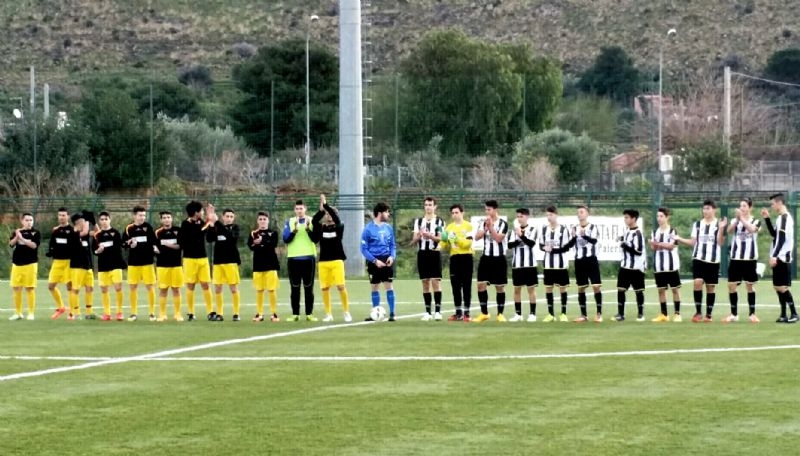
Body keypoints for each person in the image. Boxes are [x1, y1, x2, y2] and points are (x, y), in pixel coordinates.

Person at [676, 199, 726, 323]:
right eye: (704, 208)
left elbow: (720, 243)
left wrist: (721, 229)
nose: (705, 211)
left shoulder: (719, 224)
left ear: (714, 210)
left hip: (713, 260)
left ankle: (709, 314)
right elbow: (693, 242)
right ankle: (698, 312)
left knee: (710, 287)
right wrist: (679, 238)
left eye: (708, 208)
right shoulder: (697, 225)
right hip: (698, 258)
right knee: (697, 282)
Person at [312, 194, 352, 322]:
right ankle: (328, 314)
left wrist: (325, 205)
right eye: (327, 214)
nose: (329, 216)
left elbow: (336, 218)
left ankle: (346, 312)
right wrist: (321, 210)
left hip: (337, 260)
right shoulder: (322, 228)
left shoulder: (339, 226)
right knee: (324, 288)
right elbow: (314, 221)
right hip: (324, 261)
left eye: (331, 214)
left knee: (340, 286)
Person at [724, 198, 762, 323]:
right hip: (736, 258)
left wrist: (742, 219)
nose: (742, 208)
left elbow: (752, 229)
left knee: (749, 285)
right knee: (731, 285)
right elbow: (728, 231)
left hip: (749, 259)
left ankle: (752, 314)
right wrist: (736, 220)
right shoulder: (735, 220)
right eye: (740, 206)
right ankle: (734, 314)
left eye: (744, 206)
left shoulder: (756, 221)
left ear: (750, 207)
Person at [761, 193, 798, 323]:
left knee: (782, 287)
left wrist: (774, 256)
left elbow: (781, 239)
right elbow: (774, 235)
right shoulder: (781, 218)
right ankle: (783, 314)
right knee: (777, 287)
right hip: (779, 257)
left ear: (779, 203)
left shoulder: (785, 218)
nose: (772, 206)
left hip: (782, 257)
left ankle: (794, 313)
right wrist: (767, 218)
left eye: (773, 204)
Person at [283, 200, 319, 321]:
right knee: (295, 287)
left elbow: (315, 239)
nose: (299, 211)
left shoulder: (312, 220)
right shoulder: (290, 221)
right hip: (293, 258)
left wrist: (308, 229)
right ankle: (295, 314)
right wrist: (294, 231)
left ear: (305, 209)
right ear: (294, 210)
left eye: (301, 208)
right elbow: (286, 239)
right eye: (297, 209)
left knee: (309, 287)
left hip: (309, 258)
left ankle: (309, 314)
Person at [178, 201, 215, 321]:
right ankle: (191, 312)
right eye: (202, 211)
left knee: (205, 284)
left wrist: (210, 221)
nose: (203, 213)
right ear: (196, 213)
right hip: (189, 259)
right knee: (190, 285)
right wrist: (209, 220)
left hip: (203, 258)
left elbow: (209, 237)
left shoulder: (202, 223)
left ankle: (210, 311)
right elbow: (198, 232)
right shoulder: (185, 224)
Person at [474, 200, 509, 322]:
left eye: (489, 209)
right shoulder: (483, 222)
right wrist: (485, 228)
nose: (487, 212)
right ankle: (484, 313)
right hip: (486, 257)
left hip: (499, 258)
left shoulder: (503, 224)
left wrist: (491, 227)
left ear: (495, 210)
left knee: (499, 287)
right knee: (480, 285)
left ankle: (500, 314)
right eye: (486, 209)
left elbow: (499, 239)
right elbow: (477, 237)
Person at [122, 206, 160, 322]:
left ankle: (152, 313)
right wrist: (129, 244)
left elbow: (154, 242)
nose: (142, 217)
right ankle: (133, 313)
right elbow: (123, 244)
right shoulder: (129, 228)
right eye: (140, 215)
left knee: (150, 286)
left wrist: (155, 248)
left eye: (144, 215)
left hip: (147, 262)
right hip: (133, 263)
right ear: (134, 216)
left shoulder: (148, 227)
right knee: (133, 287)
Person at [361, 202, 397, 321]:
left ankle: (392, 314)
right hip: (374, 261)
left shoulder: (388, 228)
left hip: (386, 259)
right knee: (374, 287)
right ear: (380, 213)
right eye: (387, 212)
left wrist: (392, 256)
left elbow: (393, 245)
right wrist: (374, 260)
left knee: (389, 286)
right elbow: (363, 249)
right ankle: (375, 313)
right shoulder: (368, 229)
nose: (388, 214)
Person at [412, 197, 445, 321]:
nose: (428, 207)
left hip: (434, 253)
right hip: (422, 254)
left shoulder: (439, 221)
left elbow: (440, 238)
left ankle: (437, 311)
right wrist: (419, 235)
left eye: (430, 204)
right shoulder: (419, 221)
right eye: (426, 204)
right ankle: (427, 312)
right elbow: (413, 241)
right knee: (425, 282)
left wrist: (430, 236)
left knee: (435, 281)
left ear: (435, 206)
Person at [440, 204, 474, 322]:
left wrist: (456, 238)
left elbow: (467, 244)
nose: (455, 215)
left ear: (462, 213)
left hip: (466, 258)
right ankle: (458, 312)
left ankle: (467, 313)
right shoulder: (449, 227)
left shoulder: (468, 226)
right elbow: (444, 244)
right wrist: (442, 241)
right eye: (453, 213)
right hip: (454, 258)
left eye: (457, 212)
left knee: (466, 286)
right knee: (455, 286)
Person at [206, 208, 242, 321]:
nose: (229, 218)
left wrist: (217, 222)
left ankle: (236, 313)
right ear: (223, 217)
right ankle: (220, 313)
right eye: (227, 216)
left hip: (231, 262)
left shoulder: (235, 228)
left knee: (233, 288)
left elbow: (230, 238)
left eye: (231, 216)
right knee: (217, 288)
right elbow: (209, 239)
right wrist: (211, 225)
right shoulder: (217, 226)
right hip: (218, 262)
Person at [569, 205, 602, 322]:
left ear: (587, 214)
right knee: (581, 288)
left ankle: (599, 314)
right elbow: (572, 244)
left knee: (596, 286)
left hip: (591, 260)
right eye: (578, 212)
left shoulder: (593, 227)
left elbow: (594, 241)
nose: (579, 214)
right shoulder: (574, 228)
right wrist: (573, 237)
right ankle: (583, 315)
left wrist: (585, 235)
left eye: (582, 212)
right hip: (579, 261)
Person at [539, 206, 572, 322]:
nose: (549, 217)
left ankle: (563, 313)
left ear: (556, 215)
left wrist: (553, 250)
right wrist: (544, 248)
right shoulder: (544, 229)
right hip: (548, 264)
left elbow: (566, 247)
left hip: (560, 264)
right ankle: (550, 314)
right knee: (549, 288)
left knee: (562, 288)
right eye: (547, 215)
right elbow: (540, 245)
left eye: (551, 215)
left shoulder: (563, 229)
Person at [614, 209, 647, 322]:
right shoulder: (627, 230)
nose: (625, 219)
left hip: (636, 267)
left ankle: (641, 313)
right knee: (621, 290)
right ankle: (621, 314)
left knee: (638, 291)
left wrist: (625, 246)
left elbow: (638, 251)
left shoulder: (638, 234)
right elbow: (627, 239)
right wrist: (621, 238)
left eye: (627, 217)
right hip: (625, 266)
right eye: (624, 217)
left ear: (634, 219)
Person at [93, 211, 127, 321]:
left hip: (115, 264)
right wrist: (98, 250)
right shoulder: (96, 235)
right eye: (102, 219)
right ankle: (107, 313)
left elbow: (118, 248)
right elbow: (95, 251)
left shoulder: (115, 233)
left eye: (106, 219)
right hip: (103, 266)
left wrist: (106, 249)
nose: (104, 221)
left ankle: (119, 312)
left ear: (110, 220)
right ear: (99, 221)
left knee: (118, 288)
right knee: (104, 289)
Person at [649, 207, 682, 322]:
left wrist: (658, 244)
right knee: (661, 290)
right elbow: (653, 247)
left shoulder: (673, 231)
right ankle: (664, 314)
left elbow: (672, 246)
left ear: (667, 217)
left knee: (675, 290)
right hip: (659, 266)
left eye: (661, 216)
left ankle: (677, 313)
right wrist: (654, 245)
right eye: (657, 216)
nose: (659, 218)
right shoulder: (654, 231)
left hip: (671, 266)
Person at [506, 208, 538, 322]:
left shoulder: (533, 229)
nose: (519, 219)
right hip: (517, 264)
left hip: (529, 264)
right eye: (518, 217)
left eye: (521, 216)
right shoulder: (514, 230)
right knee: (516, 290)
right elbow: (509, 245)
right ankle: (518, 314)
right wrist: (519, 239)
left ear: (527, 217)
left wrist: (522, 236)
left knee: (531, 290)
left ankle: (533, 314)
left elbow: (531, 243)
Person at [248, 211, 280, 322]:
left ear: (268, 220)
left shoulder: (273, 233)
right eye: (260, 219)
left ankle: (274, 313)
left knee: (271, 290)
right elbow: (251, 246)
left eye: (264, 219)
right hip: (258, 265)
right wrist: (256, 244)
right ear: (257, 221)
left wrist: (263, 241)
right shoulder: (253, 233)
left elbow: (273, 244)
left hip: (271, 265)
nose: (262, 221)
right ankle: (259, 314)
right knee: (259, 290)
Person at [8, 213, 40, 321]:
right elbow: (11, 244)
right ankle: (18, 313)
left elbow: (34, 245)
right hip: (17, 264)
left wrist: (23, 239)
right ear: (22, 221)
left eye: (31, 220)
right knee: (16, 288)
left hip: (30, 264)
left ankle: (31, 313)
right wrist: (17, 237)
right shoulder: (17, 232)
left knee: (30, 288)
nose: (29, 222)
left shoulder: (36, 233)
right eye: (27, 220)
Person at [155, 211, 183, 322]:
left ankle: (177, 313)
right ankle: (162, 314)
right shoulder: (157, 232)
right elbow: (155, 248)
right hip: (162, 265)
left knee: (176, 289)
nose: (166, 219)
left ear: (172, 219)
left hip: (176, 265)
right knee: (163, 289)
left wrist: (166, 245)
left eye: (168, 217)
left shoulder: (178, 231)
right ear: (161, 220)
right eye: (164, 218)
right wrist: (156, 249)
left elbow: (180, 246)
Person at [47, 207, 74, 319]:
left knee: (69, 287)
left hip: (68, 261)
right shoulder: (55, 230)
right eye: (60, 215)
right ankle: (61, 307)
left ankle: (72, 312)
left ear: (68, 216)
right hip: (57, 262)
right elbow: (52, 244)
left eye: (64, 215)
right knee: (51, 286)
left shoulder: (72, 230)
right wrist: (50, 252)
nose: (62, 217)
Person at [67, 212, 94, 320]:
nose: (85, 223)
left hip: (87, 266)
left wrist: (94, 222)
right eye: (83, 221)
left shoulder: (85, 233)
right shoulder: (72, 233)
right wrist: (87, 220)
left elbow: (96, 232)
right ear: (78, 223)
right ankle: (76, 312)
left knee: (90, 288)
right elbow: (84, 232)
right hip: (77, 266)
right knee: (76, 289)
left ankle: (89, 312)